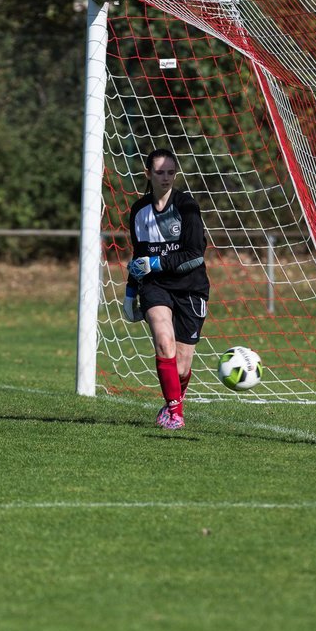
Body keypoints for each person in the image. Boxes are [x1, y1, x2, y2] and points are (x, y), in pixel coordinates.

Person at [123, 148, 210, 430]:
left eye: (171, 172)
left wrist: (156, 262)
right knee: (163, 339)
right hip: (156, 287)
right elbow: (139, 258)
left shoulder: (186, 206)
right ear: (148, 174)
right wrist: (130, 294)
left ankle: (172, 400)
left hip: (190, 288)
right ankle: (175, 414)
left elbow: (195, 255)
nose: (166, 178)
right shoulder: (138, 211)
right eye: (159, 172)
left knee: (182, 366)